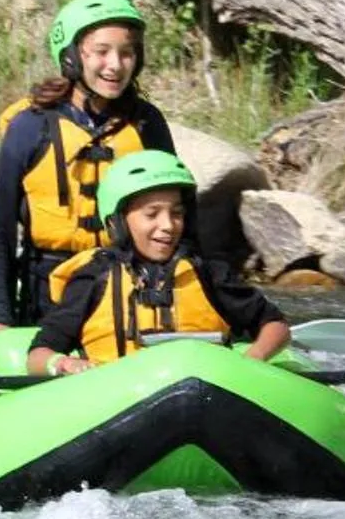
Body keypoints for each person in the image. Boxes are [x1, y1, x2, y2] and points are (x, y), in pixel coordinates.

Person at [0, 0, 175, 355]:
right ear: (70, 55)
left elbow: (180, 220)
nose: (115, 65)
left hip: (125, 286)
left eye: (126, 53)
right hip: (47, 293)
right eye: (101, 51)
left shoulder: (147, 125)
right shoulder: (30, 127)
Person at [26, 149, 289, 377]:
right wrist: (62, 363)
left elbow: (275, 325)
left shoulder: (208, 272)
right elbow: (38, 355)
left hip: (204, 395)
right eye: (152, 214)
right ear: (118, 222)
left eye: (176, 213)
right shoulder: (93, 277)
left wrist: (253, 360)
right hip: (113, 399)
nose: (168, 226)